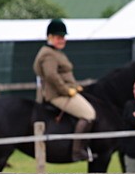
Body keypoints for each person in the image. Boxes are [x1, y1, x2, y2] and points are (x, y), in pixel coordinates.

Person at [32, 18, 96, 162]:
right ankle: (77, 151)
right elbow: (51, 75)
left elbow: (63, 74)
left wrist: (75, 86)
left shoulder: (55, 52)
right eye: (58, 37)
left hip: (66, 90)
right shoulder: (48, 54)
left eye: (63, 37)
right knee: (88, 114)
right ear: (50, 37)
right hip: (57, 95)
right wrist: (67, 91)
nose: (62, 40)